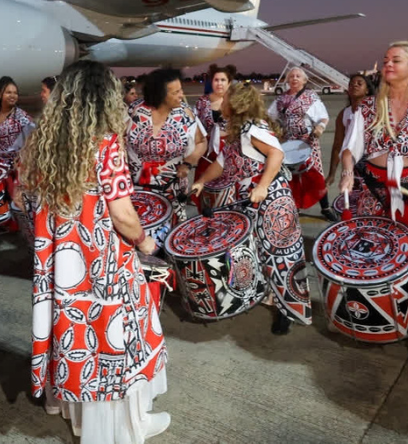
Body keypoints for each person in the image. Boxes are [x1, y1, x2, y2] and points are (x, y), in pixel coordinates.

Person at [19, 60, 169, 443]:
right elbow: (122, 214)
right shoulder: (104, 142)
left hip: (62, 260)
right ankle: (123, 428)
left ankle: (76, 414)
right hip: (102, 262)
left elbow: (27, 198)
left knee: (75, 335)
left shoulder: (43, 140)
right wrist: (146, 242)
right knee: (115, 342)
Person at [339, 41, 408, 364]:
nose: (388, 64)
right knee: (373, 258)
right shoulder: (369, 108)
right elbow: (351, 147)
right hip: (373, 191)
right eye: (386, 59)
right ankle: (381, 318)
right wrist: (348, 172)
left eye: (396, 60)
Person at [192, 82, 312, 334]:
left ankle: (287, 311)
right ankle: (269, 297)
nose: (221, 103)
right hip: (253, 201)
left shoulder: (253, 129)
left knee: (281, 256)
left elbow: (276, 154)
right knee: (258, 252)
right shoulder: (237, 130)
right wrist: (202, 181)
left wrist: (263, 186)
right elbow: (223, 163)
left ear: (235, 104)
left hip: (272, 202)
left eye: (224, 100)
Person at [126, 68, 206, 222]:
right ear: (160, 94)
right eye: (175, 92)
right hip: (138, 186)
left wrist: (188, 163)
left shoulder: (185, 113)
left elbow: (201, 142)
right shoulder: (135, 111)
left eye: (180, 90)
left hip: (173, 187)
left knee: (170, 230)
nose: (181, 95)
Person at [267, 66, 333, 219]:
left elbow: (323, 117)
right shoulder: (281, 99)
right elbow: (270, 117)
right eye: (291, 76)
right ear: (287, 80)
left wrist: (320, 128)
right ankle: (294, 207)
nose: (294, 78)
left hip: (308, 142)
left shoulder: (311, 97)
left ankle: (326, 208)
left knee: (315, 174)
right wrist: (278, 132)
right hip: (289, 144)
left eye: (298, 76)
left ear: (304, 80)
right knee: (292, 176)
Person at [193, 66, 235, 208]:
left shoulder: (234, 102)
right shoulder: (202, 102)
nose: (219, 83)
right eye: (216, 80)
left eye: (223, 80)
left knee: (228, 189)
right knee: (204, 184)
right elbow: (195, 127)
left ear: (229, 83)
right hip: (207, 150)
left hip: (228, 149)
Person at [325, 73, 373, 187]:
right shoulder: (344, 114)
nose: (354, 85)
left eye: (359, 84)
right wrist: (332, 174)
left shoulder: (374, 111)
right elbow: (337, 145)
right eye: (351, 84)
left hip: (372, 164)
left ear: (367, 90)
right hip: (351, 166)